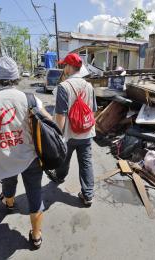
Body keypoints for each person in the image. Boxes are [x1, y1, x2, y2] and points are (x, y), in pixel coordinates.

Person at [0, 56, 51, 249]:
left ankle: (9, 203)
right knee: (35, 194)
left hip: (3, 157)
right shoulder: (30, 99)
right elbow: (49, 122)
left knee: (8, 182)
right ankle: (36, 236)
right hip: (31, 157)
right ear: (16, 77)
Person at [46, 53, 97, 207]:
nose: (63, 68)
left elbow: (60, 115)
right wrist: (85, 125)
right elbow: (93, 110)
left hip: (69, 134)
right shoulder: (89, 86)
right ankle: (88, 195)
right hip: (87, 133)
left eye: (64, 65)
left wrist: (57, 136)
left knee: (64, 158)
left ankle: (60, 177)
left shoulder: (64, 87)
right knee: (86, 163)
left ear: (69, 67)